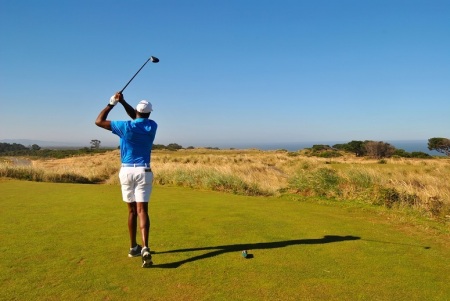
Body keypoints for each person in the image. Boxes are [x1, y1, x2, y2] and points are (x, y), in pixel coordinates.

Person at [95, 92, 157, 268]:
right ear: (150, 114)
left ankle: (133, 247)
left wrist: (112, 103)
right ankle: (145, 247)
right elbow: (138, 117)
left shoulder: (124, 126)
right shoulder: (152, 126)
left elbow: (99, 121)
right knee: (142, 210)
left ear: (137, 112)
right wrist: (123, 102)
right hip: (144, 171)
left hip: (126, 171)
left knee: (131, 211)